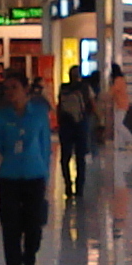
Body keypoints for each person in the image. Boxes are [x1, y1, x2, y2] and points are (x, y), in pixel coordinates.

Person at [0, 72, 52, 265]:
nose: (10, 93)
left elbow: (46, 147)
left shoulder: (39, 114)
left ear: (26, 89)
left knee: (33, 227)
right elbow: (1, 145)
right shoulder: (0, 117)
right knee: (11, 228)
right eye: (6, 88)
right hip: (9, 177)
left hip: (34, 176)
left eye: (14, 87)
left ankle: (30, 260)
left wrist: (46, 176)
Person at [57, 65, 97, 201]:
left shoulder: (63, 88)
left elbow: (59, 106)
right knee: (80, 158)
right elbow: (92, 105)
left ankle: (68, 186)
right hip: (80, 125)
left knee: (65, 158)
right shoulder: (85, 88)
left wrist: (59, 122)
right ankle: (79, 188)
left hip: (66, 126)